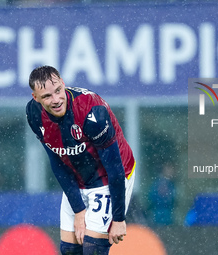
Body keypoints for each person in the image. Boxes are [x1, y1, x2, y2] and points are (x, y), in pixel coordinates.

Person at [26, 66, 136, 255]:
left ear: (63, 84)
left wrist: (118, 219)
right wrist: (78, 209)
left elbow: (115, 168)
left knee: (93, 249)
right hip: (79, 178)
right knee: (69, 250)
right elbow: (57, 162)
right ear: (35, 98)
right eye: (46, 96)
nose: (56, 100)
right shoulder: (34, 114)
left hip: (109, 177)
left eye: (58, 91)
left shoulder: (92, 112)